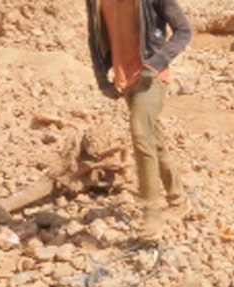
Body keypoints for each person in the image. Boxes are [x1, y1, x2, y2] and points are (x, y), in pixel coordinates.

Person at [85, 0, 192, 244]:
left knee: (141, 135)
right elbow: (94, 36)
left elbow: (184, 31)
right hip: (126, 81)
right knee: (154, 139)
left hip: (151, 79)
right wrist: (101, 77)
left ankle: (151, 216)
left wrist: (156, 63)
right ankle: (179, 200)